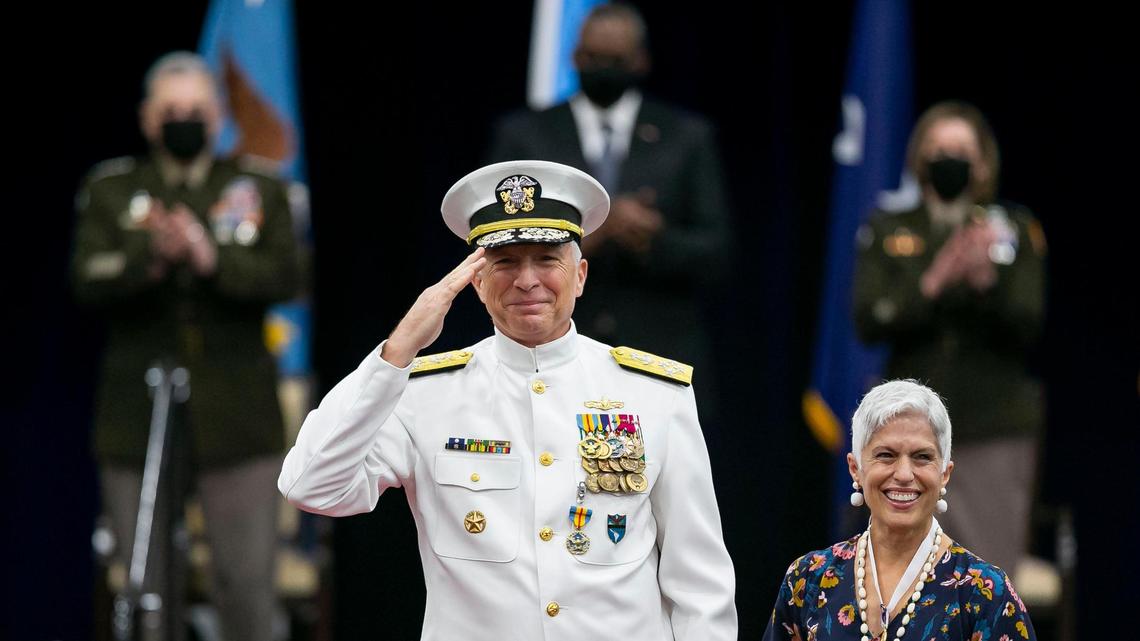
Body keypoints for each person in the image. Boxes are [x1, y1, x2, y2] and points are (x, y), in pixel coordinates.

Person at [278, 160, 737, 640]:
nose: (527, 280)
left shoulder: (653, 393)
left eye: (546, 259)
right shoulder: (423, 393)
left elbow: (698, 581)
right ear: (475, 282)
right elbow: (311, 486)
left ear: (579, 275)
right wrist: (397, 351)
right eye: (505, 262)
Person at [72, 51, 298, 641]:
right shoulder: (112, 189)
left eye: (196, 109)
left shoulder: (261, 188)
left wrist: (209, 255)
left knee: (246, 589)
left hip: (238, 419)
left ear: (220, 117)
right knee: (146, 592)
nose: (183, 120)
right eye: (171, 110)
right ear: (148, 119)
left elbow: (286, 277)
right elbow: (85, 279)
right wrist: (152, 259)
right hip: (135, 418)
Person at [486, 3, 731, 413]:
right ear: (575, 58)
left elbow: (716, 252)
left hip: (658, 349)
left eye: (615, 60)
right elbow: (493, 240)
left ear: (640, 61)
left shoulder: (686, 137)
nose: (603, 68)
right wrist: (590, 232)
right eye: (593, 58)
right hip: (547, 349)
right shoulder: (526, 136)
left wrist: (651, 237)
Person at [852, 101, 1045, 574]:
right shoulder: (887, 227)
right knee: (898, 574)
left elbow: (1029, 322)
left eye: (960, 150)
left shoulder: (1013, 230)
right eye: (938, 149)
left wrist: (986, 285)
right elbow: (868, 319)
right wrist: (934, 282)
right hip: (906, 436)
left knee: (984, 577)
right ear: (919, 159)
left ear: (982, 163)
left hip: (990, 426)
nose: (949, 160)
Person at [763, 380, 1037, 640]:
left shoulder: (986, 593)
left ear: (944, 473)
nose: (904, 474)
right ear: (855, 469)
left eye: (922, 457)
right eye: (886, 455)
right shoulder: (809, 579)